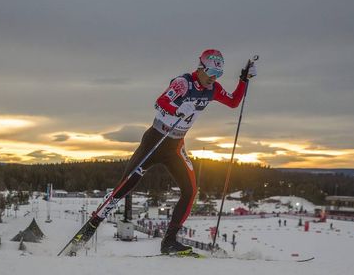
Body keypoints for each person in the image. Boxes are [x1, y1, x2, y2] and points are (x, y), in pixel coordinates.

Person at [76, 49, 257, 254]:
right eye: (213, 74)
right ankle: (92, 224)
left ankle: (169, 241)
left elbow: (233, 102)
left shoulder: (213, 89)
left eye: (219, 75)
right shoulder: (183, 83)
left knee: (190, 192)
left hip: (175, 146)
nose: (214, 79)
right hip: (155, 140)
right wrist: (178, 109)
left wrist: (244, 79)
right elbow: (161, 102)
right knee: (126, 186)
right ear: (202, 68)